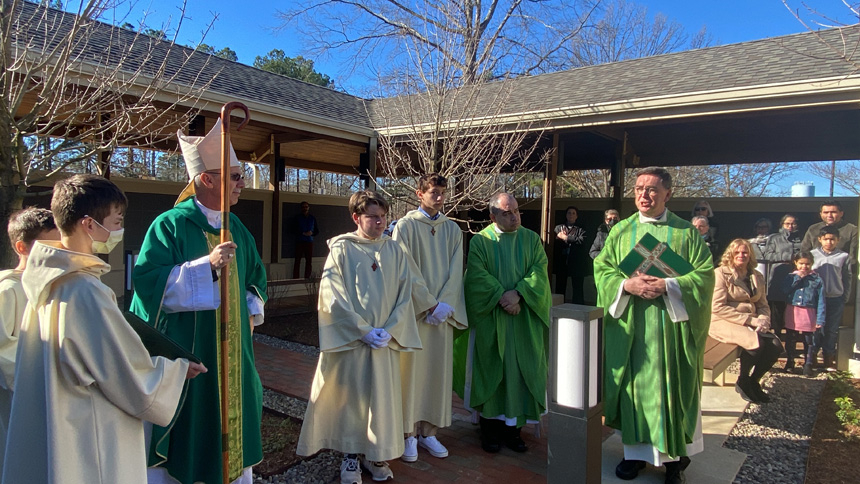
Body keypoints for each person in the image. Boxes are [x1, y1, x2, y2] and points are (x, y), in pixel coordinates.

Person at [3, 175, 205, 484]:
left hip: (61, 414)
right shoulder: (84, 290)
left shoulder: (46, 279)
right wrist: (174, 370)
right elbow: (122, 372)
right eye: (116, 219)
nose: (118, 229)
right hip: (88, 425)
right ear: (88, 224)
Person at [130, 119, 268, 484]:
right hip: (192, 353)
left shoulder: (236, 227)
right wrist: (203, 268)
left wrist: (250, 309)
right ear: (206, 179)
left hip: (235, 353)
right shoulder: (169, 226)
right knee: (195, 429)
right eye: (236, 176)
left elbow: (256, 278)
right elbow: (147, 285)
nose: (243, 183)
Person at [594, 167, 714, 484]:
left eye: (652, 190)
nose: (644, 195)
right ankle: (634, 457)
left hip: (671, 331)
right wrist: (626, 287)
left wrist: (669, 286)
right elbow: (602, 269)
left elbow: (704, 277)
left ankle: (675, 462)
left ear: (668, 194)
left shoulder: (686, 233)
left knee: (672, 391)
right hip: (634, 330)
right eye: (639, 189)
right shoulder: (620, 232)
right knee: (637, 390)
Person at [297, 190, 421, 484]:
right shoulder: (341, 249)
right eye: (373, 217)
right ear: (356, 217)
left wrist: (389, 329)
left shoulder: (395, 251)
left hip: (385, 340)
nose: (380, 222)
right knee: (352, 399)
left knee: (381, 399)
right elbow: (332, 296)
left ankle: (375, 453)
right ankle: (350, 455)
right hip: (352, 340)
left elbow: (406, 296)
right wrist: (363, 331)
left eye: (383, 216)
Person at [453, 192, 552, 454]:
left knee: (521, 371)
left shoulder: (531, 239)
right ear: (493, 215)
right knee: (491, 369)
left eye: (517, 211)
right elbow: (476, 275)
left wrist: (518, 294)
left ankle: (514, 430)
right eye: (507, 213)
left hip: (523, 318)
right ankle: (489, 430)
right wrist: (501, 296)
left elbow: (539, 271)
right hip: (492, 317)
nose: (514, 217)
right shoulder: (481, 242)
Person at [391, 174, 467, 463]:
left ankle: (430, 432)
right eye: (433, 192)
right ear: (419, 193)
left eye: (442, 192)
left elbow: (456, 268)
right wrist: (429, 304)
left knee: (436, 373)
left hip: (442, 317)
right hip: (415, 313)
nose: (439, 197)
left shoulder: (452, 229)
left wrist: (446, 304)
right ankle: (408, 433)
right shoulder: (406, 227)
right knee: (411, 373)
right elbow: (404, 267)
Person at [0, 207, 58, 474]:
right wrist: (41, 374)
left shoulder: (55, 287)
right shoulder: (8, 290)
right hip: (16, 401)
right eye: (47, 246)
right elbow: (4, 352)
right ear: (22, 247)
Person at [709, 239, 783, 404]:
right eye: (737, 252)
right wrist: (750, 320)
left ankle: (753, 381)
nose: (741, 255)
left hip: (752, 320)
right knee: (756, 344)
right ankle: (743, 380)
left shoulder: (756, 276)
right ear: (731, 254)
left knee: (775, 347)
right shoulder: (721, 273)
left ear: (750, 255)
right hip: (723, 319)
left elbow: (763, 304)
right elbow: (717, 307)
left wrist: (764, 319)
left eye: (745, 252)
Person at [810, 225, 852, 371]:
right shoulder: (812, 254)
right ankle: (812, 356)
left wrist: (844, 296)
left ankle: (828, 357)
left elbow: (847, 277)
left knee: (831, 329)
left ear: (838, 240)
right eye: (826, 239)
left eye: (832, 239)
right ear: (820, 239)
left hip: (835, 297)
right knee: (816, 328)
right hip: (816, 299)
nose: (829, 242)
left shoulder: (843, 256)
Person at [781, 251, 826, 376]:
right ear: (795, 263)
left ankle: (808, 363)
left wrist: (820, 319)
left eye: (807, 264)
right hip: (793, 310)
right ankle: (790, 362)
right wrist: (797, 278)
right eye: (801, 264)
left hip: (809, 311)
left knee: (809, 339)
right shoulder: (791, 277)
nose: (804, 267)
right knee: (791, 338)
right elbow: (785, 290)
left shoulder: (816, 279)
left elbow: (821, 300)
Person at [763, 214, 803, 333]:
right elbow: (767, 255)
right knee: (777, 308)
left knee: (794, 307)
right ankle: (777, 334)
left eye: (793, 223)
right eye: (787, 224)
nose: (790, 226)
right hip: (778, 275)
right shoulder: (774, 238)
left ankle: (793, 337)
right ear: (782, 225)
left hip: (796, 274)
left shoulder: (801, 238)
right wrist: (788, 256)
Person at [553, 205, 588, 303]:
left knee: (578, 288)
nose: (571, 215)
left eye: (573, 213)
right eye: (569, 213)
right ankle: (558, 307)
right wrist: (561, 236)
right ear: (566, 215)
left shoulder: (581, 229)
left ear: (576, 216)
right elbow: (555, 235)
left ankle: (578, 308)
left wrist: (566, 238)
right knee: (559, 287)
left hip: (576, 263)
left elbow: (582, 240)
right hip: (562, 262)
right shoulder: (559, 227)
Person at [293, 201, 319, 279]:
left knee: (309, 261)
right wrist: (302, 233)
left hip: (309, 241)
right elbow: (292, 230)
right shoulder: (297, 218)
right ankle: (296, 277)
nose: (305, 208)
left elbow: (317, 230)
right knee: (297, 260)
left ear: (308, 208)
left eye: (306, 207)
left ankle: (307, 277)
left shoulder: (312, 218)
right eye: (303, 207)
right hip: (300, 241)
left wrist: (312, 233)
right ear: (301, 208)